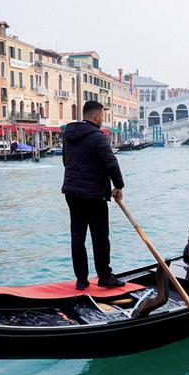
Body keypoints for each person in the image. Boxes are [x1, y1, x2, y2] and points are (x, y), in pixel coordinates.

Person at [62, 101, 125, 290]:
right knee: (100, 237)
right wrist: (119, 185)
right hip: (94, 195)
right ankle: (105, 276)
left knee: (77, 237)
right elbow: (111, 164)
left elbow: (66, 161)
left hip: (72, 193)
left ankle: (81, 280)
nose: (102, 119)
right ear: (97, 116)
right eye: (102, 116)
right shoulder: (98, 138)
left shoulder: (69, 135)